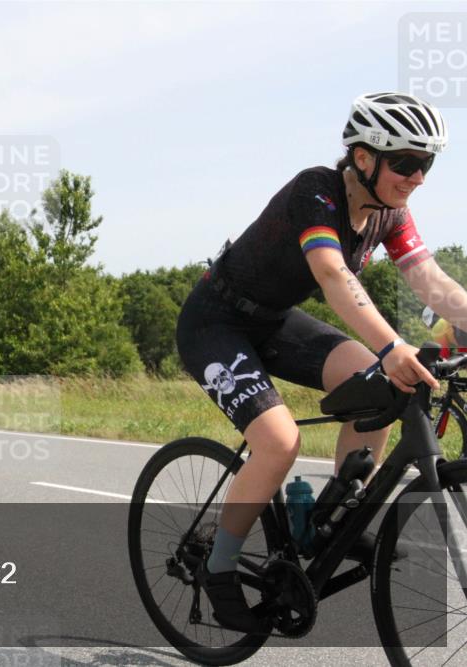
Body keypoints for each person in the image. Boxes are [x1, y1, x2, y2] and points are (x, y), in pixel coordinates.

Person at [176, 92, 467, 633]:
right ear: (363, 158)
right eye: (405, 162)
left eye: (426, 164)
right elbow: (334, 276)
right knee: (280, 441)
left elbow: (430, 281)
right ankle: (218, 570)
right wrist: (392, 345)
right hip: (216, 321)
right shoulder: (317, 191)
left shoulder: (390, 213)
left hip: (274, 320)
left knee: (382, 388)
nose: (418, 176)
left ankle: (326, 518)